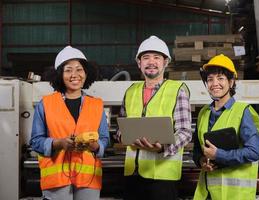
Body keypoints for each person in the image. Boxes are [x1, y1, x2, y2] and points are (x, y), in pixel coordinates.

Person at [117, 35, 192, 200]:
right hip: (133, 175)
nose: (151, 62)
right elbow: (120, 127)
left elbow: (185, 132)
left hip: (162, 178)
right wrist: (124, 136)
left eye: (157, 57)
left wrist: (162, 147)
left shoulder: (177, 90)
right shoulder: (131, 91)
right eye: (146, 58)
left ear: (165, 62)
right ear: (139, 63)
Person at [30, 46, 110, 200]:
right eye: (68, 70)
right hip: (56, 179)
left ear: (86, 73)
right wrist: (58, 143)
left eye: (79, 69)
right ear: (59, 75)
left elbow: (105, 139)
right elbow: (35, 141)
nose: (75, 75)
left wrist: (96, 146)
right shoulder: (45, 104)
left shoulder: (97, 105)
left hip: (88, 179)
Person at [193, 54, 259, 200]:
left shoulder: (243, 112)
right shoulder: (203, 113)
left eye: (220, 78)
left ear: (231, 82)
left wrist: (218, 155)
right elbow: (197, 150)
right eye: (210, 79)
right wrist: (202, 162)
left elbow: (253, 152)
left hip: (234, 195)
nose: (214, 83)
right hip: (207, 193)